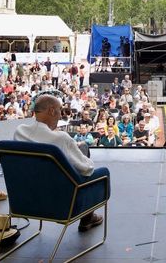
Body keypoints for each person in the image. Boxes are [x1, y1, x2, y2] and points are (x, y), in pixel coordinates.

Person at [13, 94, 103, 232]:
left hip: (25, 200)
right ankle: (87, 217)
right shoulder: (61, 139)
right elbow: (87, 169)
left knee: (79, 150)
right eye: (60, 110)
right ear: (51, 111)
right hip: (60, 203)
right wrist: (73, 149)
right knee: (84, 152)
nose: (61, 114)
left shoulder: (19, 132)